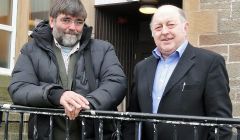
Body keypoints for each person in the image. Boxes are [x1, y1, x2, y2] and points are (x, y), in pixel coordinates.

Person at [8, 0, 126, 139]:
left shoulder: (103, 49)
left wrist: (88, 103)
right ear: (52, 21)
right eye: (66, 20)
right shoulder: (31, 50)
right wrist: (55, 95)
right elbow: (18, 87)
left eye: (79, 22)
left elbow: (117, 82)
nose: (73, 27)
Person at [122, 5, 232, 140]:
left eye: (170, 25)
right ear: (152, 33)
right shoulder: (141, 68)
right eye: (158, 27)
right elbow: (132, 118)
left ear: (185, 28)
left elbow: (221, 123)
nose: (164, 31)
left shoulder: (210, 63)